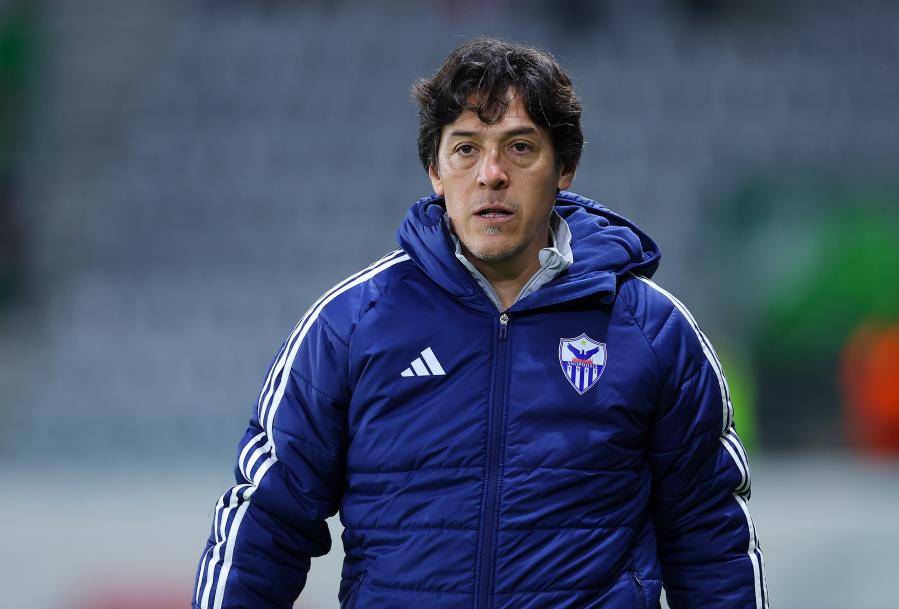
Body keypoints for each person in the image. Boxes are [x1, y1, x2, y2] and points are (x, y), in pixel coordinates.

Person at [191, 37, 768, 609]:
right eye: (466, 149)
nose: (491, 174)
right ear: (435, 171)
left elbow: (711, 539)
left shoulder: (654, 332)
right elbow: (266, 520)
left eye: (520, 147)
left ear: (565, 167)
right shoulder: (350, 326)